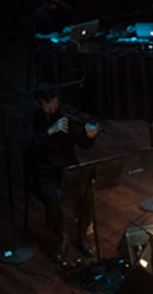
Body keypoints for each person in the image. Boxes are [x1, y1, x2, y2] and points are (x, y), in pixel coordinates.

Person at [24, 88, 101, 265]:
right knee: (52, 196)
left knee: (88, 190)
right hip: (43, 170)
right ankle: (61, 239)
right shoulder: (32, 119)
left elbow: (83, 144)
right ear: (40, 103)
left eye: (54, 102)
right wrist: (49, 131)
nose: (51, 107)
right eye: (47, 104)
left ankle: (82, 236)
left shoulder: (67, 115)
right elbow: (28, 145)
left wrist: (89, 137)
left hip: (67, 167)